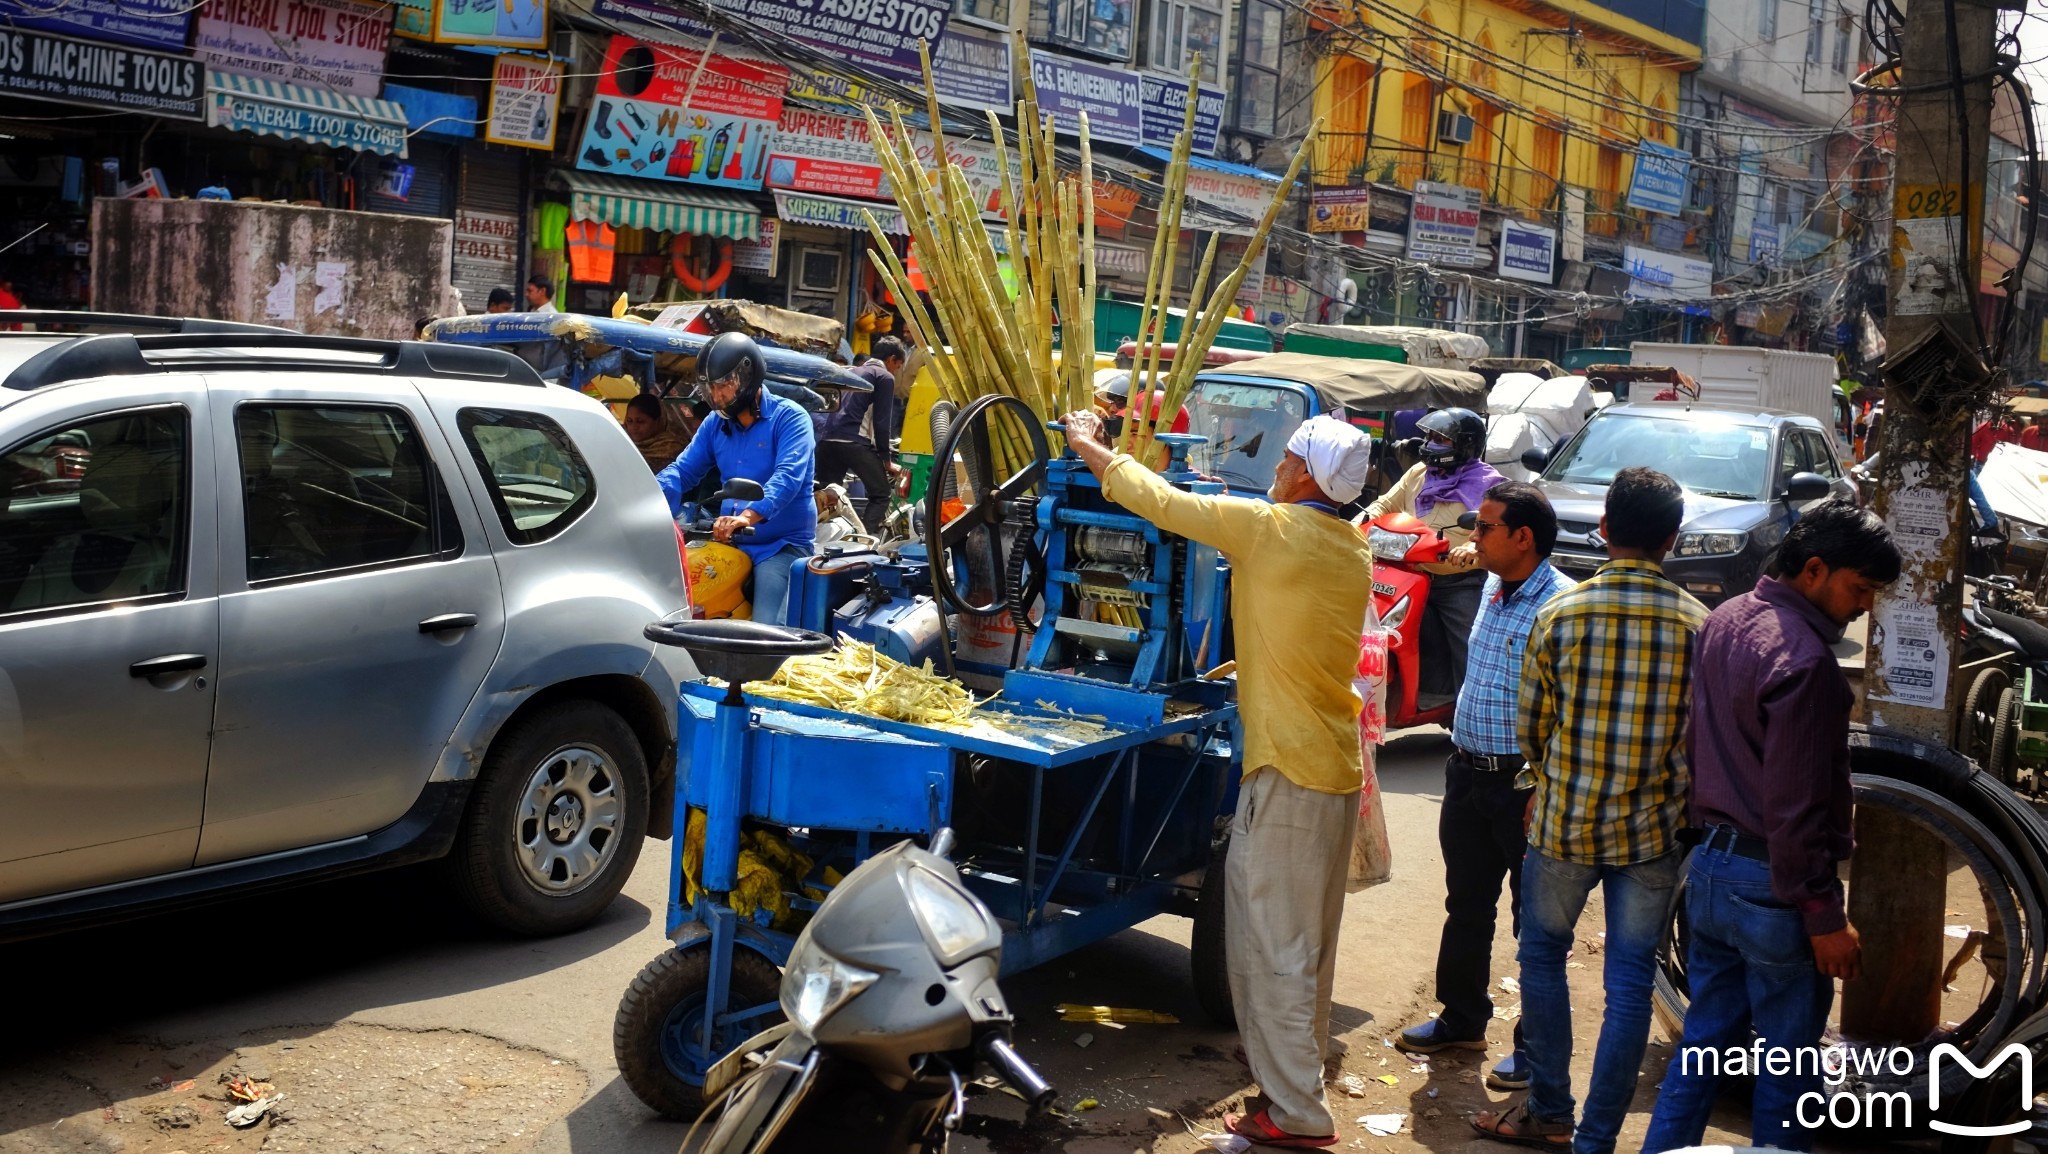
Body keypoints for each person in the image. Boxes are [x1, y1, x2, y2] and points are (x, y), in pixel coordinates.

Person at [1059, 408, 1375, 1149]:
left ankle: (1296, 1113)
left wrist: (1087, 445)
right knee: (1306, 941)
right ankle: (1290, 1069)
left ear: (1304, 472)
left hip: (1290, 769)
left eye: (1287, 455)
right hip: (1331, 767)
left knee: (1272, 943)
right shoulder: (1349, 546)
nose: (1276, 465)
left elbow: (1164, 505)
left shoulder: (1272, 530)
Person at [1642, 499, 1898, 1152]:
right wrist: (1823, 914)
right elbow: (1796, 805)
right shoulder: (1808, 663)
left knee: (1704, 1045)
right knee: (1787, 1066)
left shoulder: (1727, 619)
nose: (1864, 606)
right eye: (1859, 588)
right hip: (1773, 889)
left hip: (1713, 874)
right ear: (1814, 570)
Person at [1473, 467, 1708, 1154]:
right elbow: (1702, 739)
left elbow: (1532, 727)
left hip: (1563, 825)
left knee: (1542, 956)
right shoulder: (1700, 625)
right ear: (1671, 538)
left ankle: (1549, 1107)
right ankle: (1597, 1138)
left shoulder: (1560, 614)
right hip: (1653, 835)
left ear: (1604, 531)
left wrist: (1547, 780)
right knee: (1631, 980)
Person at [1398, 481, 1575, 1094]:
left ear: (1523, 538)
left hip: (1523, 786)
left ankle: (1534, 1050)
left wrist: (1542, 790)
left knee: (1536, 924)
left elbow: (1569, 714)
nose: (1474, 537)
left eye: (1487, 527)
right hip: (1467, 771)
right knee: (1466, 904)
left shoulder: (1561, 605)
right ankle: (1462, 1017)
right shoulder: (1492, 590)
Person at [657, 333, 816, 624]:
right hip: (728, 543)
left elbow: (788, 478)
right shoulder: (715, 424)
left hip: (779, 546)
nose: (716, 397)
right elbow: (683, 471)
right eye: (710, 389)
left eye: (723, 386)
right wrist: (649, 496)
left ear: (747, 376)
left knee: (765, 631)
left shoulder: (791, 418)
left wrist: (747, 515)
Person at [1361, 407, 1501, 701]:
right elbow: (1384, 505)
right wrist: (1356, 524)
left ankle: (1468, 717)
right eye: (1430, 436)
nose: (1431, 443)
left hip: (1458, 582)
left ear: (1465, 444)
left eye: (1442, 438)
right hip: (1409, 575)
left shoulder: (1490, 484)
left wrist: (1470, 547)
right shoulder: (1418, 473)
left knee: (1470, 647)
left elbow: (1492, 530)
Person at [817, 335, 902, 529]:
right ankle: (864, 542)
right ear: (891, 359)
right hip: (853, 442)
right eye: (897, 366)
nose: (896, 371)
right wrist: (886, 460)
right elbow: (882, 422)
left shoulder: (853, 371)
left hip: (827, 441)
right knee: (881, 495)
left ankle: (828, 539)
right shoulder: (884, 377)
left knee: (829, 496)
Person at [624, 393, 685, 473]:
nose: (633, 427)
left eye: (640, 421)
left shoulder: (671, 450)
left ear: (658, 421)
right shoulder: (622, 443)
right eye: (629, 421)